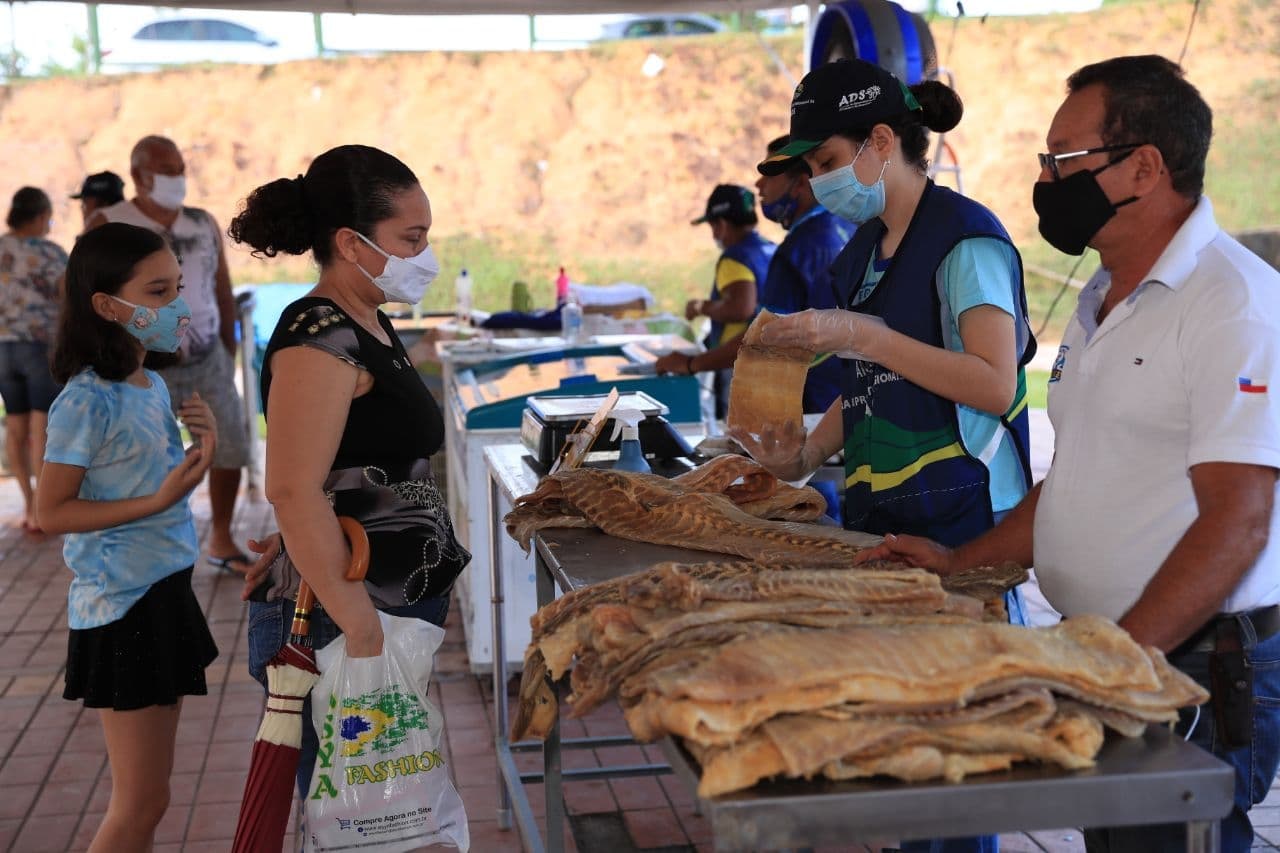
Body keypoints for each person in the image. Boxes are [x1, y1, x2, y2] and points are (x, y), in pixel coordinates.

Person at [861, 55, 1280, 852]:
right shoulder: (1101, 299)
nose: (1045, 179)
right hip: (1118, 653)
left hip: (1185, 667)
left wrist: (1109, 668)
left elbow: (1241, 522)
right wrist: (961, 564)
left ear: (1145, 167)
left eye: (1063, 160)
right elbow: (1077, 482)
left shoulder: (1233, 304)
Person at [732, 59, 1039, 853]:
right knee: (904, 751)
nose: (822, 182)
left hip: (962, 519)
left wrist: (866, 334)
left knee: (957, 754)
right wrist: (802, 453)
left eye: (829, 163)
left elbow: (992, 381)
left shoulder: (964, 240)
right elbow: (867, 385)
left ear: (880, 140)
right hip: (882, 516)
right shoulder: (858, 250)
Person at [231, 144, 470, 798]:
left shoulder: (367, 319)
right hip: (346, 618)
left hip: (384, 605)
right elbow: (290, 485)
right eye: (411, 238)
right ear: (351, 242)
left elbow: (343, 466)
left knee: (379, 812)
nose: (426, 255)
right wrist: (360, 623)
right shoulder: (319, 332)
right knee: (353, 815)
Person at [35, 222, 218, 852]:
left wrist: (201, 452)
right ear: (110, 307)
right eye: (159, 292)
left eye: (178, 288)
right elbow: (51, 510)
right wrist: (160, 498)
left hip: (163, 590)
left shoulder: (151, 384)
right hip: (123, 608)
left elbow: (151, 487)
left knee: (153, 799)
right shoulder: (86, 400)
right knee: (137, 804)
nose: (178, 307)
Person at [87, 135, 252, 574]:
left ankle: (220, 535)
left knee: (229, 444)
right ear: (141, 175)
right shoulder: (109, 221)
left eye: (182, 168)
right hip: (135, 365)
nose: (179, 177)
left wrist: (227, 347)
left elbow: (221, 287)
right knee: (139, 456)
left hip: (206, 358)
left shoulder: (202, 221)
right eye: (170, 169)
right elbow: (87, 292)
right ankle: (145, 545)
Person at [654, 184, 775, 419]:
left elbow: (741, 308)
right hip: (771, 363)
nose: (714, 235)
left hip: (739, 363)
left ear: (721, 224)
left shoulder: (734, 258)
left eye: (713, 227)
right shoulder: (770, 249)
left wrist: (701, 307)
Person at [0, 187, 67, 532]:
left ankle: (27, 504)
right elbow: (70, 296)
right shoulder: (51, 254)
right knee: (41, 431)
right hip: (40, 347)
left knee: (15, 428)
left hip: (3, 349)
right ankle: (42, 510)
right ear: (41, 216)